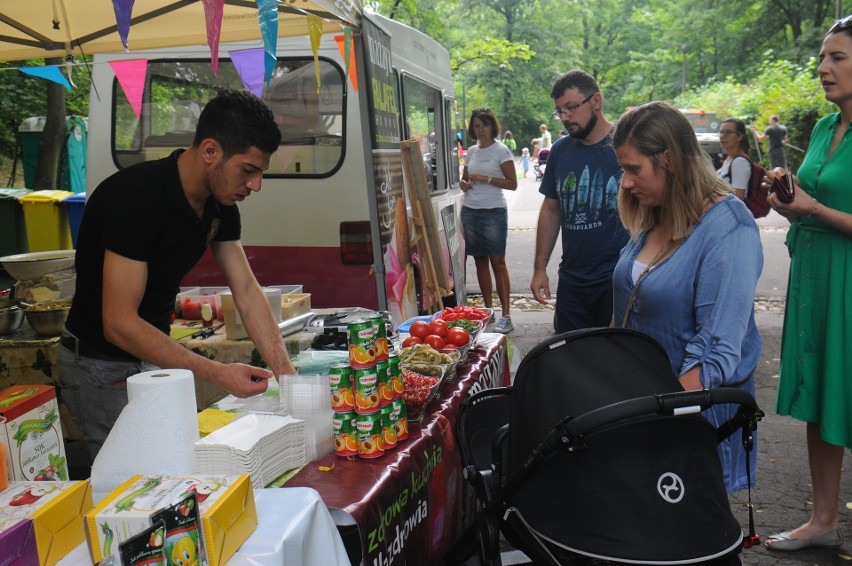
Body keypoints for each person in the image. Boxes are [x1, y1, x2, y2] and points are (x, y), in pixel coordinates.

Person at [59, 89, 296, 460]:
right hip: (99, 366)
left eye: (260, 173)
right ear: (210, 151)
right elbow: (118, 323)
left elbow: (247, 291)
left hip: (153, 358)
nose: (255, 185)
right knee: (132, 487)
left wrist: (286, 373)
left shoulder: (220, 205)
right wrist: (217, 372)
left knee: (174, 471)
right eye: (248, 170)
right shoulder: (136, 198)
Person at [611, 101, 763, 494]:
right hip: (642, 415)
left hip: (690, 426)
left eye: (633, 169)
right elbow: (626, 311)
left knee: (689, 543)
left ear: (669, 159)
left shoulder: (730, 228)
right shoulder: (658, 211)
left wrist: (657, 418)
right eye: (622, 169)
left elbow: (718, 353)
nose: (625, 183)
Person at [763, 16, 852, 552]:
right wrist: (789, 204)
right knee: (823, 395)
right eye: (822, 58)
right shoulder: (822, 129)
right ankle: (824, 520)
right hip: (816, 277)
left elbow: (828, 206)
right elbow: (812, 211)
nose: (822, 68)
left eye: (837, 58)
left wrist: (814, 206)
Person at [530, 70, 629, 332]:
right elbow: (551, 210)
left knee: (616, 360)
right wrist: (540, 268)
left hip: (619, 281)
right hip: (573, 283)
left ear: (596, 101)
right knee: (573, 361)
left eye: (572, 108)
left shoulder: (626, 145)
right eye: (559, 111)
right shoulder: (560, 152)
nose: (565, 117)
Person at [460, 108, 518, 333]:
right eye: (476, 125)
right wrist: (464, 184)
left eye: (484, 125)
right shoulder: (472, 151)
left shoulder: (501, 150)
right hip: (471, 210)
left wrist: (487, 178)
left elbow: (512, 183)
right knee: (480, 260)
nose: (480, 129)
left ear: (492, 126)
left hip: (493, 211)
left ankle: (506, 315)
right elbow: (464, 181)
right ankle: (488, 309)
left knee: (498, 262)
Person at [716, 118, 751, 200]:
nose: (722, 136)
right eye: (721, 132)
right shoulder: (729, 159)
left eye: (728, 132)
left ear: (739, 137)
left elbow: (738, 199)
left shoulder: (740, 162)